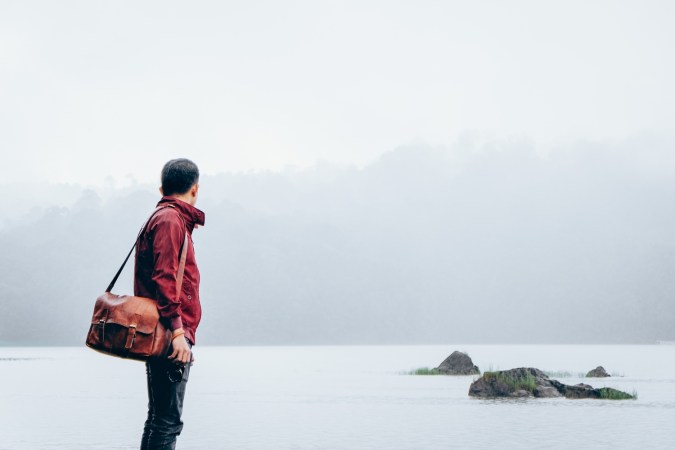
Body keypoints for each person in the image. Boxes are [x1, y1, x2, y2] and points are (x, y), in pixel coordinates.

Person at [134, 158, 205, 450]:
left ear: (162, 188)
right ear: (195, 189)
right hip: (167, 332)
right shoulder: (170, 220)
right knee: (167, 422)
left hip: (165, 331)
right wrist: (178, 334)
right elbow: (164, 278)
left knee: (158, 419)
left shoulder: (164, 217)